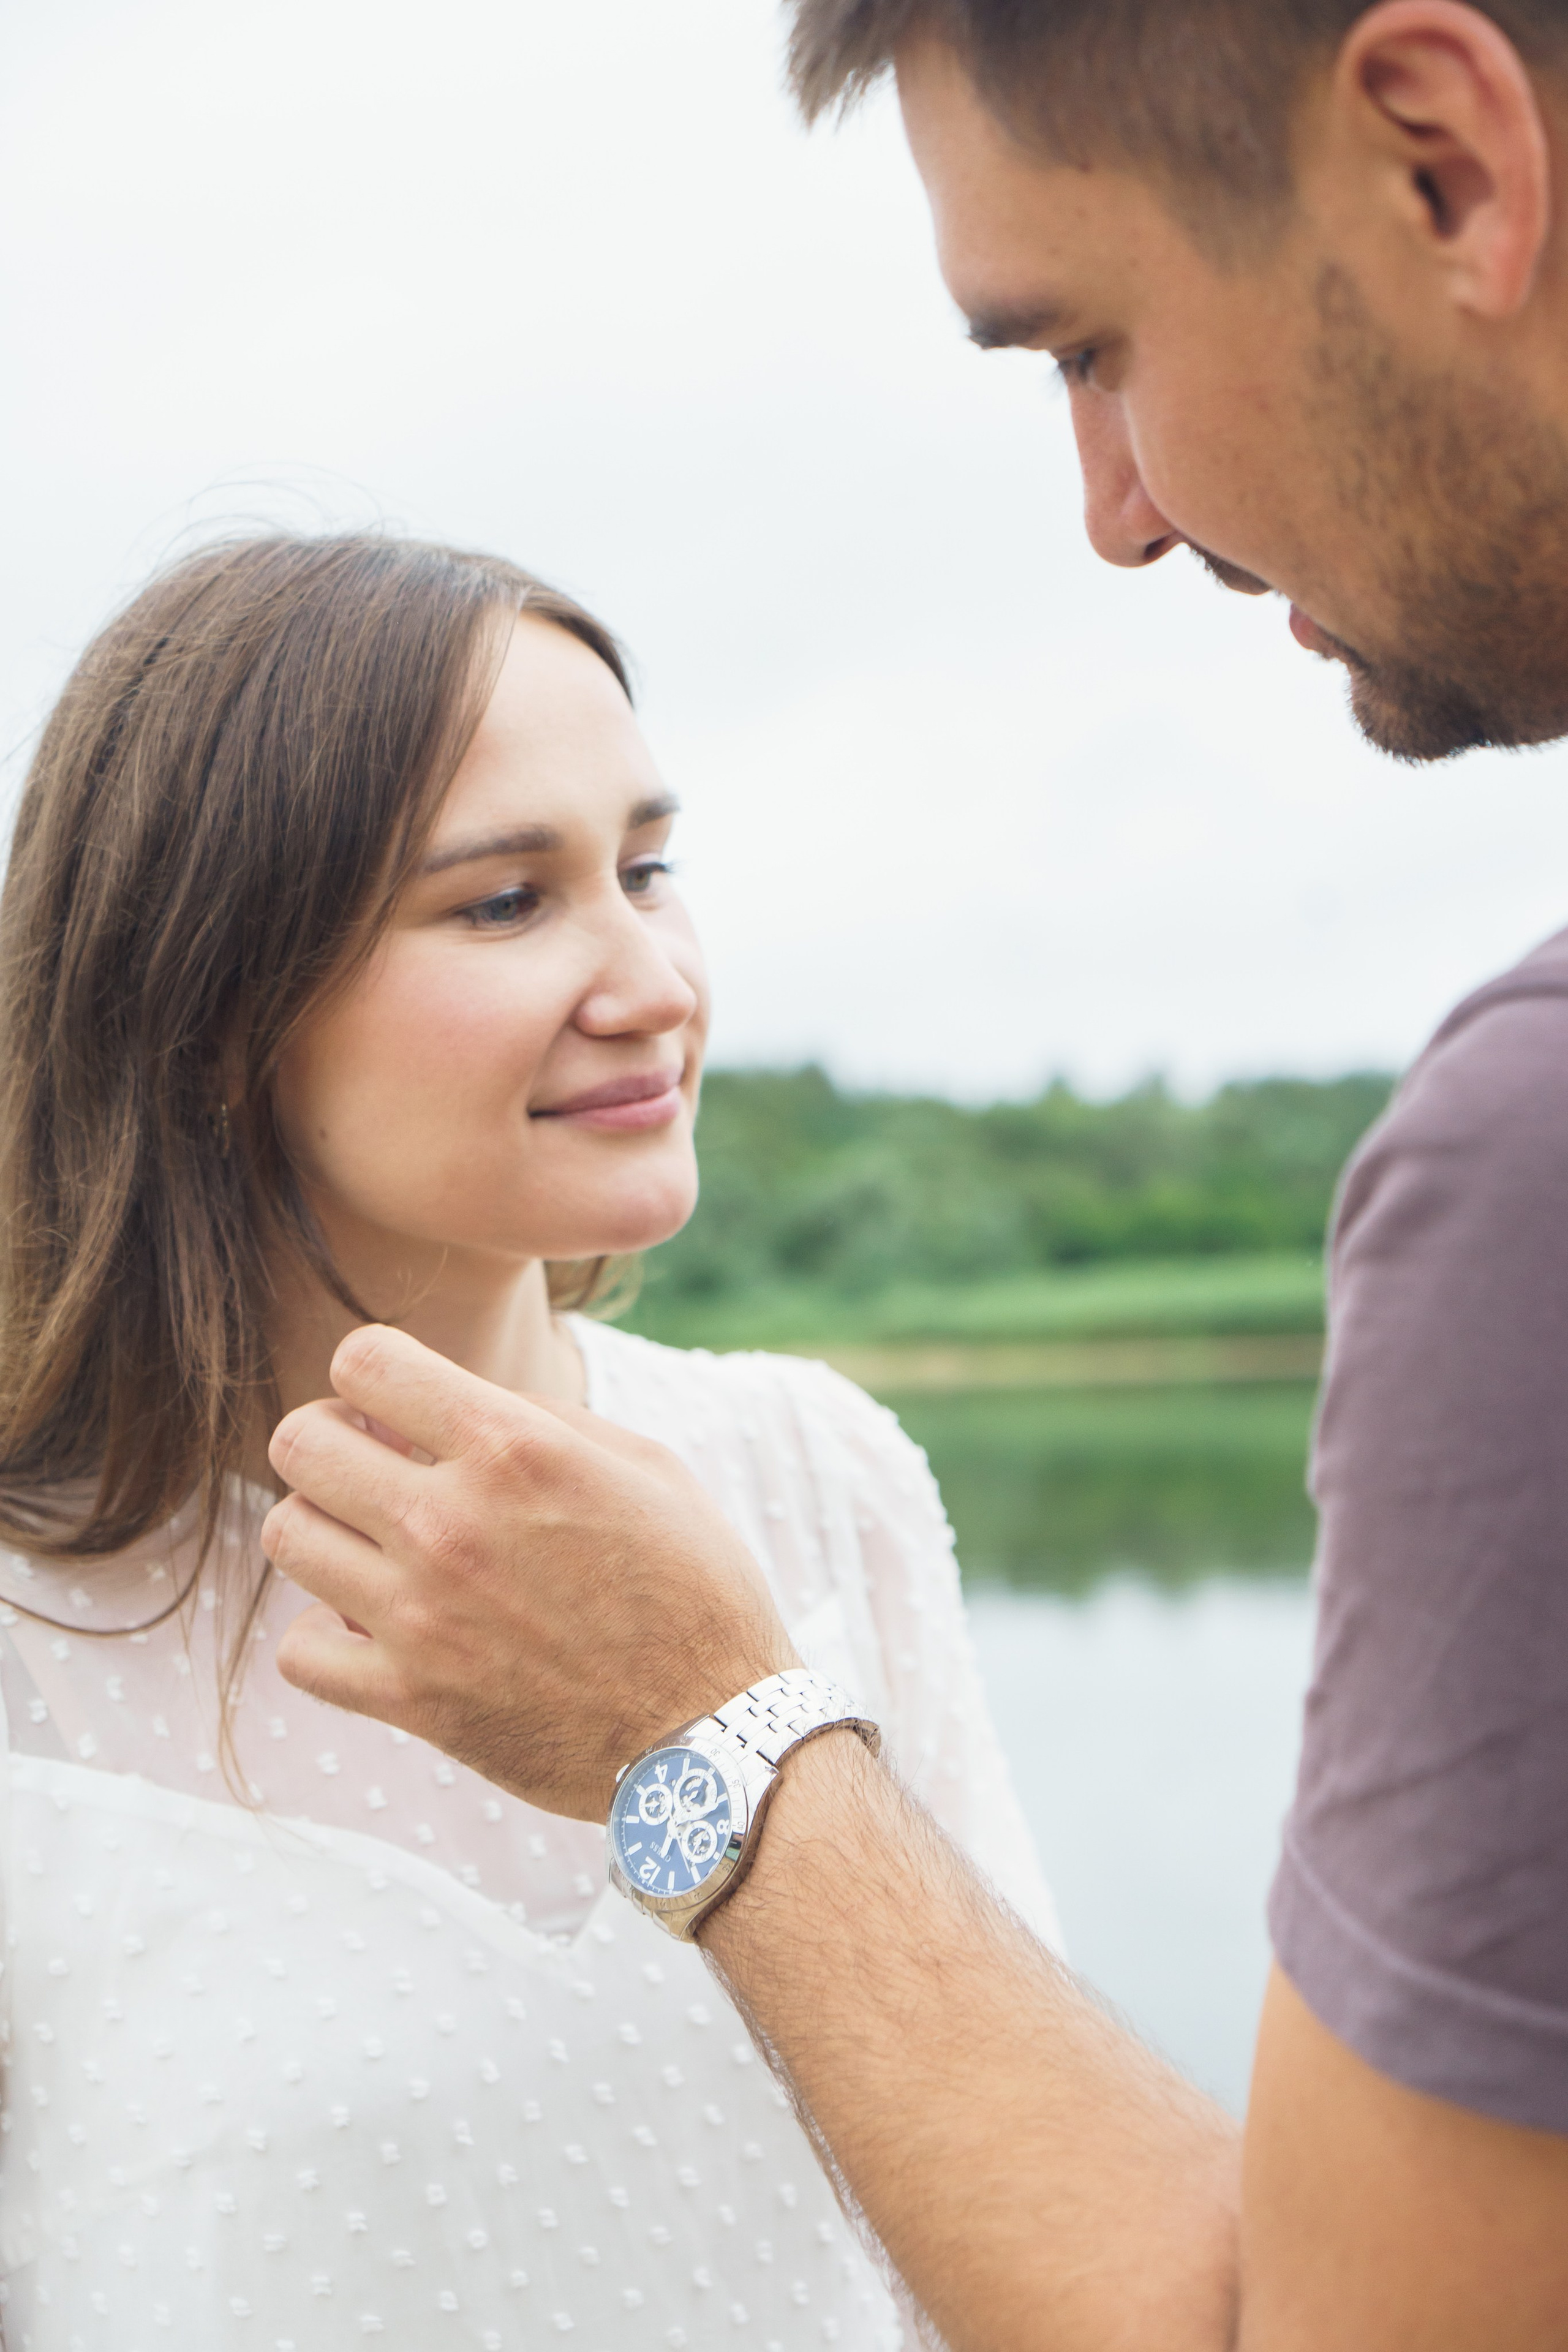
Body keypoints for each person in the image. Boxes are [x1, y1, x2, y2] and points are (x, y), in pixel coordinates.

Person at [262, 5, 1568, 2350]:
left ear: (1446, 165)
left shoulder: (1522, 1182)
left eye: (1092, 343)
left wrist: (703, 1729)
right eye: (503, 897)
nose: (1116, 507)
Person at [0, 530, 1058, 2346]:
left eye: (648, 869)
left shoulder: (821, 1477)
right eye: (506, 902)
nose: (652, 983)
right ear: (210, 1008)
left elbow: (1044, 2222)